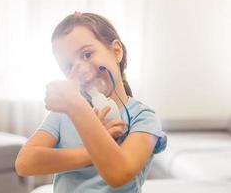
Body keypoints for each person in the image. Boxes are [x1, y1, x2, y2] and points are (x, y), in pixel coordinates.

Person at [15, 12, 166, 193]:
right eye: (69, 66)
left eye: (87, 55)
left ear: (116, 51)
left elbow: (119, 173)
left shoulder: (143, 118)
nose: (80, 69)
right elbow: (25, 163)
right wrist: (90, 151)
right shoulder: (65, 114)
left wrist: (78, 109)